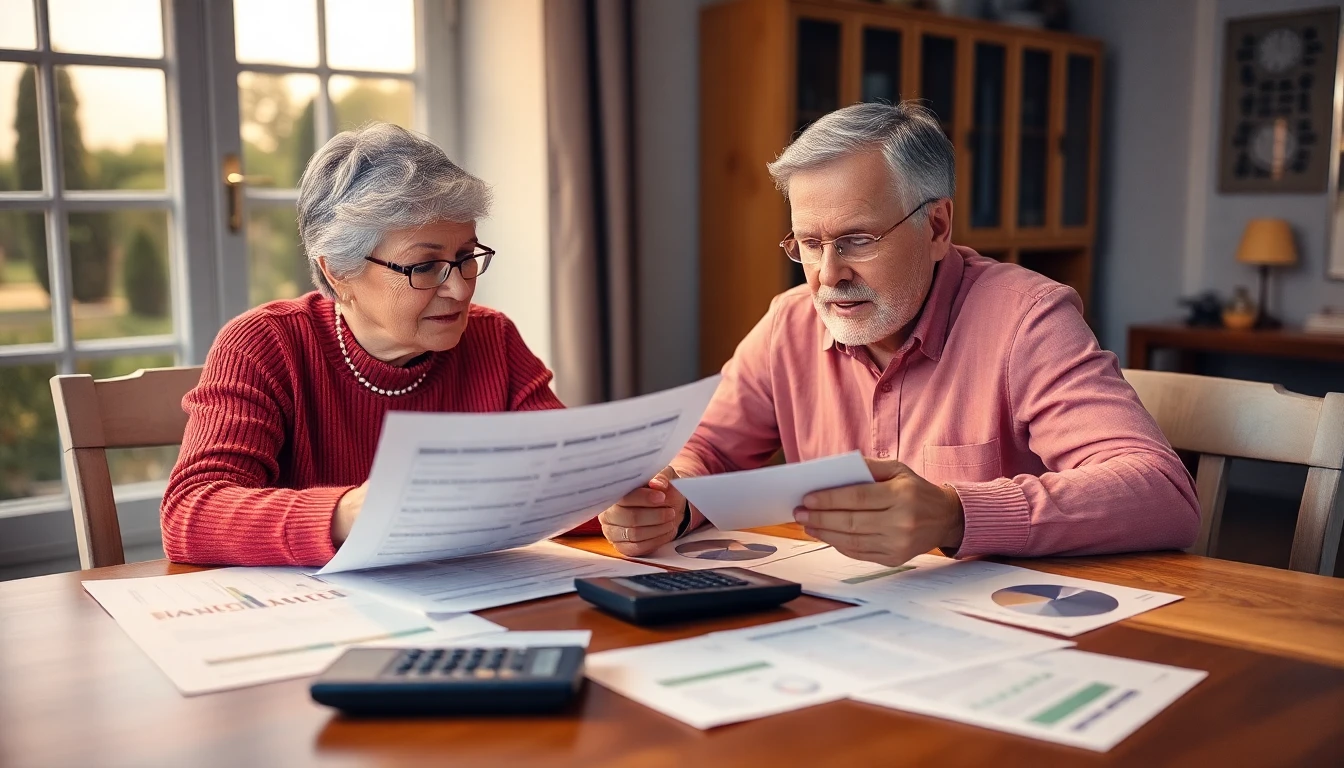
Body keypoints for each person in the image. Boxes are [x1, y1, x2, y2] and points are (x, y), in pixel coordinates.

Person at [599, 102, 1199, 566]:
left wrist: (955, 514)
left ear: (937, 226)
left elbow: (1162, 493)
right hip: (843, 626)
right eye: (809, 244)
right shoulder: (789, 321)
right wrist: (669, 498)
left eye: (857, 240)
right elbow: (709, 450)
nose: (829, 275)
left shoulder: (1026, 317)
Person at [161, 122, 593, 567]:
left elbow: (569, 478)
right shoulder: (264, 345)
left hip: (464, 605)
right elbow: (190, 513)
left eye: (466, 258)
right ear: (337, 273)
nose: (461, 290)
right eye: (424, 266)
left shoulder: (492, 338)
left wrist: (628, 506)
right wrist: (351, 511)